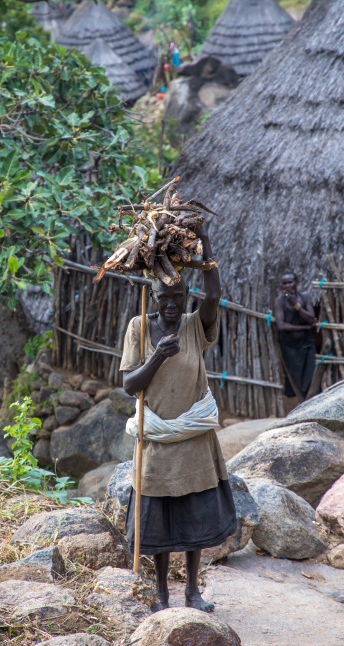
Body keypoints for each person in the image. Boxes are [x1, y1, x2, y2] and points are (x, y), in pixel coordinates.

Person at [120, 226, 236, 613]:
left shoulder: (192, 327)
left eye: (178, 296)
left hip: (193, 440)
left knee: (195, 522)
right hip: (155, 440)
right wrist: (158, 356)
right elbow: (128, 386)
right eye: (165, 297)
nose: (172, 304)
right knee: (159, 526)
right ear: (153, 298)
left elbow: (215, 294)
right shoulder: (139, 328)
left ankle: (192, 592)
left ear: (186, 297)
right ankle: (162, 595)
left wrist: (205, 239)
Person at [274, 272, 317, 400]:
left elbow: (311, 319)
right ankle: (300, 404)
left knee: (310, 376)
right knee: (295, 378)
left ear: (297, 282)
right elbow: (281, 325)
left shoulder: (305, 297)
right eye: (284, 283)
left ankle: (311, 402)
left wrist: (296, 305)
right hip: (290, 346)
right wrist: (303, 328)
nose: (287, 285)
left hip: (307, 344)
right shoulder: (280, 301)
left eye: (290, 282)